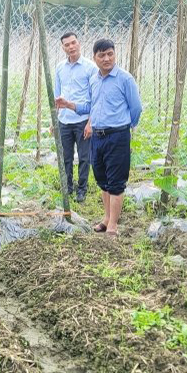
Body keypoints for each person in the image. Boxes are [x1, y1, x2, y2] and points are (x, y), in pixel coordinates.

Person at [59, 39, 142, 236]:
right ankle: (106, 218)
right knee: (102, 178)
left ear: (114, 54)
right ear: (95, 58)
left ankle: (113, 225)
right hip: (97, 136)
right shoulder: (94, 79)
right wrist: (68, 104)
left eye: (110, 54)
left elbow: (136, 108)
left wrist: (124, 126)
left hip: (117, 135)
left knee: (116, 182)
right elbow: (90, 107)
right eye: (102, 55)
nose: (106, 59)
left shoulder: (125, 79)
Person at [54, 32, 97, 203]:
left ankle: (82, 189)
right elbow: (57, 96)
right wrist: (55, 121)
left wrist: (90, 123)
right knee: (66, 157)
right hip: (64, 120)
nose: (71, 47)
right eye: (67, 45)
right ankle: (68, 187)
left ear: (79, 43)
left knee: (84, 157)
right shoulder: (59, 68)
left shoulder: (90, 67)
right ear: (63, 48)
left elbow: (96, 97)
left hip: (82, 120)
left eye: (73, 43)